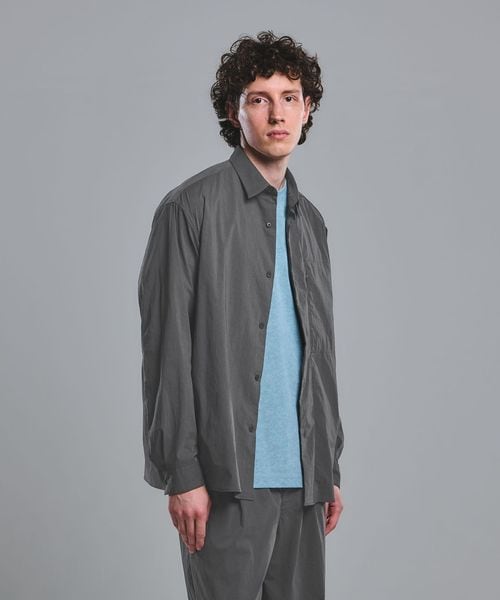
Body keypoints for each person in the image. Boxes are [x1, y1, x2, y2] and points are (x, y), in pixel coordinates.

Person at [138, 30, 345, 600]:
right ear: (235, 112)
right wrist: (182, 473)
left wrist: (327, 466)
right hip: (226, 480)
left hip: (304, 482)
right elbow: (166, 349)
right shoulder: (190, 208)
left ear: (307, 109)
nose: (277, 113)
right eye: (259, 98)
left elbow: (319, 355)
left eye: (290, 97)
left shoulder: (311, 223)